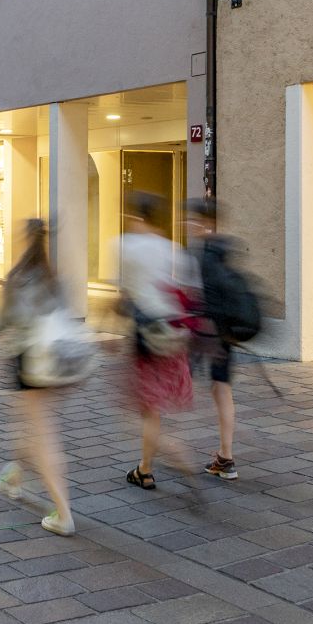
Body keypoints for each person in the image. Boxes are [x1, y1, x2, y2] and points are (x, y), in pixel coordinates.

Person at [0, 219, 79, 536]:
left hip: (30, 363)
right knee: (30, 426)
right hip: (58, 364)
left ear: (23, 240)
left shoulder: (17, 279)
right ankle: (14, 474)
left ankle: (63, 513)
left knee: (43, 436)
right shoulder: (54, 279)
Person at [118, 191, 201, 494]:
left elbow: (124, 295)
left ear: (139, 218)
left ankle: (171, 455)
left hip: (146, 336)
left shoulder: (124, 246)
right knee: (154, 408)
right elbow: (184, 291)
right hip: (173, 336)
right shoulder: (174, 249)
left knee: (147, 409)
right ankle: (145, 468)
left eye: (131, 217)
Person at [187, 198, 247, 481]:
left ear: (203, 222)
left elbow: (199, 295)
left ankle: (152, 452)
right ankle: (226, 456)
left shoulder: (203, 253)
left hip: (209, 330)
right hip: (226, 329)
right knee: (221, 389)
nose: (186, 224)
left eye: (191, 219)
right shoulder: (225, 246)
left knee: (211, 387)